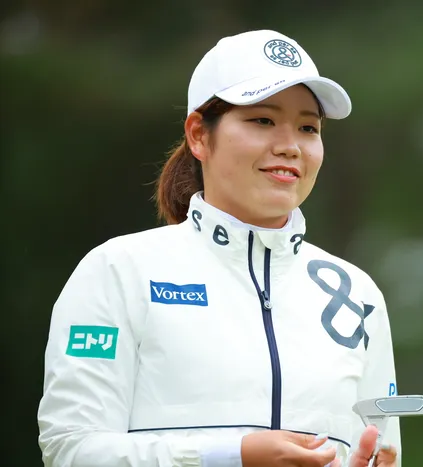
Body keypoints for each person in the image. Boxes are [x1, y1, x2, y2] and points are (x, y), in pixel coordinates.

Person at [37, 29, 402, 467]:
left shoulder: (357, 294)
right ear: (199, 135)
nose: (290, 146)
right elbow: (72, 449)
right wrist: (232, 456)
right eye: (262, 120)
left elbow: (385, 452)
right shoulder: (119, 270)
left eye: (308, 127)